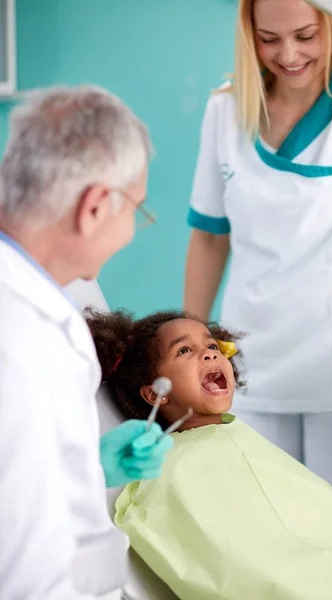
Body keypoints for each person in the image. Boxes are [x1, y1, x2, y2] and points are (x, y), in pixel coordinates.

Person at [183, 0, 332, 510]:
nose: (288, 54)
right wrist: (194, 347)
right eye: (269, 38)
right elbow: (211, 237)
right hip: (252, 366)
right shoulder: (226, 109)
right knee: (260, 535)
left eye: (305, 35)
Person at [86, 308, 332, 600]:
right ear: (154, 393)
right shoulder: (178, 471)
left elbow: (322, 517)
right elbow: (244, 566)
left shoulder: (231, 436)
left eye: (212, 347)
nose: (209, 353)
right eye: (184, 350)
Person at [0, 86, 173, 600]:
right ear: (97, 205)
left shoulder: (42, 303)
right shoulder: (22, 338)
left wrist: (87, 465)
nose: (132, 231)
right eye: (137, 212)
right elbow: (25, 563)